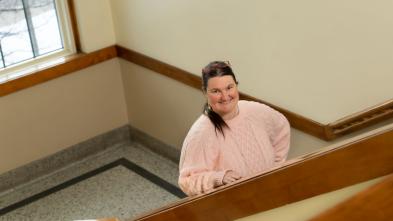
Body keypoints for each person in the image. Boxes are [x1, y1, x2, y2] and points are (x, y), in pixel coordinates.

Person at [178, 61, 291, 196]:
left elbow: (281, 126)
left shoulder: (255, 111)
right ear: (205, 92)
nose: (225, 96)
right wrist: (218, 178)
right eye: (216, 91)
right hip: (234, 206)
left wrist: (275, 166)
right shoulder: (201, 133)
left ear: (236, 86)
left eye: (229, 87)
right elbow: (187, 181)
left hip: (268, 192)